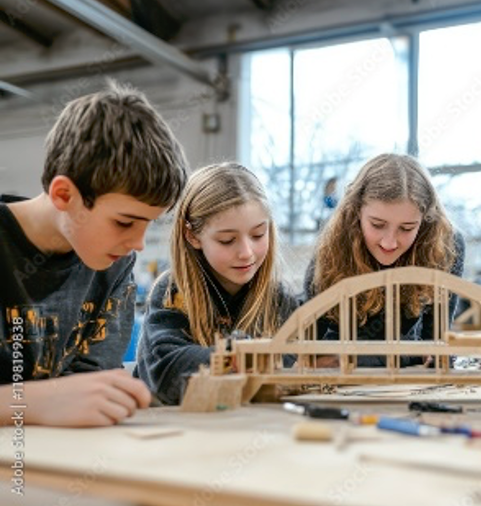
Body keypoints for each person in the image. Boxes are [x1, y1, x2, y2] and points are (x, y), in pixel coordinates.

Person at [0, 81, 189, 426]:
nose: (138, 243)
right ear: (64, 195)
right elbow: (57, 401)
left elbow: (90, 389)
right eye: (125, 222)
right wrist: (33, 402)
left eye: (148, 224)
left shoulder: (113, 266)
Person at [136, 163, 297, 405]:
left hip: (247, 428)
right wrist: (244, 355)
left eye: (258, 235)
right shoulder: (172, 291)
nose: (246, 253)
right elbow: (166, 371)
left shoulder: (280, 298)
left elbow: (292, 366)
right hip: (177, 431)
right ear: (192, 236)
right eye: (227, 240)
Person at [304, 153, 465, 367]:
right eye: (377, 225)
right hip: (343, 370)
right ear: (356, 212)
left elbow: (434, 339)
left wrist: (436, 354)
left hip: (406, 369)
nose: (389, 243)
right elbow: (307, 343)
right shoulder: (333, 246)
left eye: (407, 228)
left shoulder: (445, 244)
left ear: (425, 221)